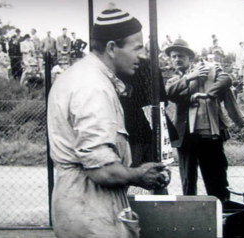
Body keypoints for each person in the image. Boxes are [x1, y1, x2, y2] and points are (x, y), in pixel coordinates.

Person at [48, 7, 169, 238]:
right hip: (91, 212)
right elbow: (102, 171)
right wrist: (140, 175)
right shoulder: (93, 87)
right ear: (112, 48)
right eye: (137, 48)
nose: (142, 55)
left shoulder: (81, 75)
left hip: (81, 207)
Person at [165, 39, 244, 202]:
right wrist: (190, 77)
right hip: (185, 137)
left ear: (190, 58)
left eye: (180, 56)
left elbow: (226, 80)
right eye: (173, 57)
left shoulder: (209, 71)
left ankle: (220, 215)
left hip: (209, 134)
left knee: (216, 179)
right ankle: (190, 218)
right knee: (187, 182)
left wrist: (208, 94)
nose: (176, 60)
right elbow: (167, 94)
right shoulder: (174, 81)